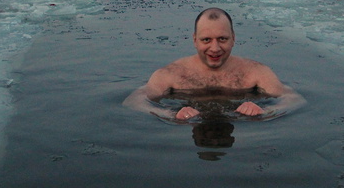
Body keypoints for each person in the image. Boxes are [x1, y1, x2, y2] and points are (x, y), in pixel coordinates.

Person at [124, 7, 305, 120]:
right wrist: (170, 114)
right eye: (206, 40)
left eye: (222, 39)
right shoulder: (171, 75)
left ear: (233, 39)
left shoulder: (256, 73)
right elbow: (134, 102)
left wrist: (265, 112)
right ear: (195, 40)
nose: (215, 48)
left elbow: (295, 100)